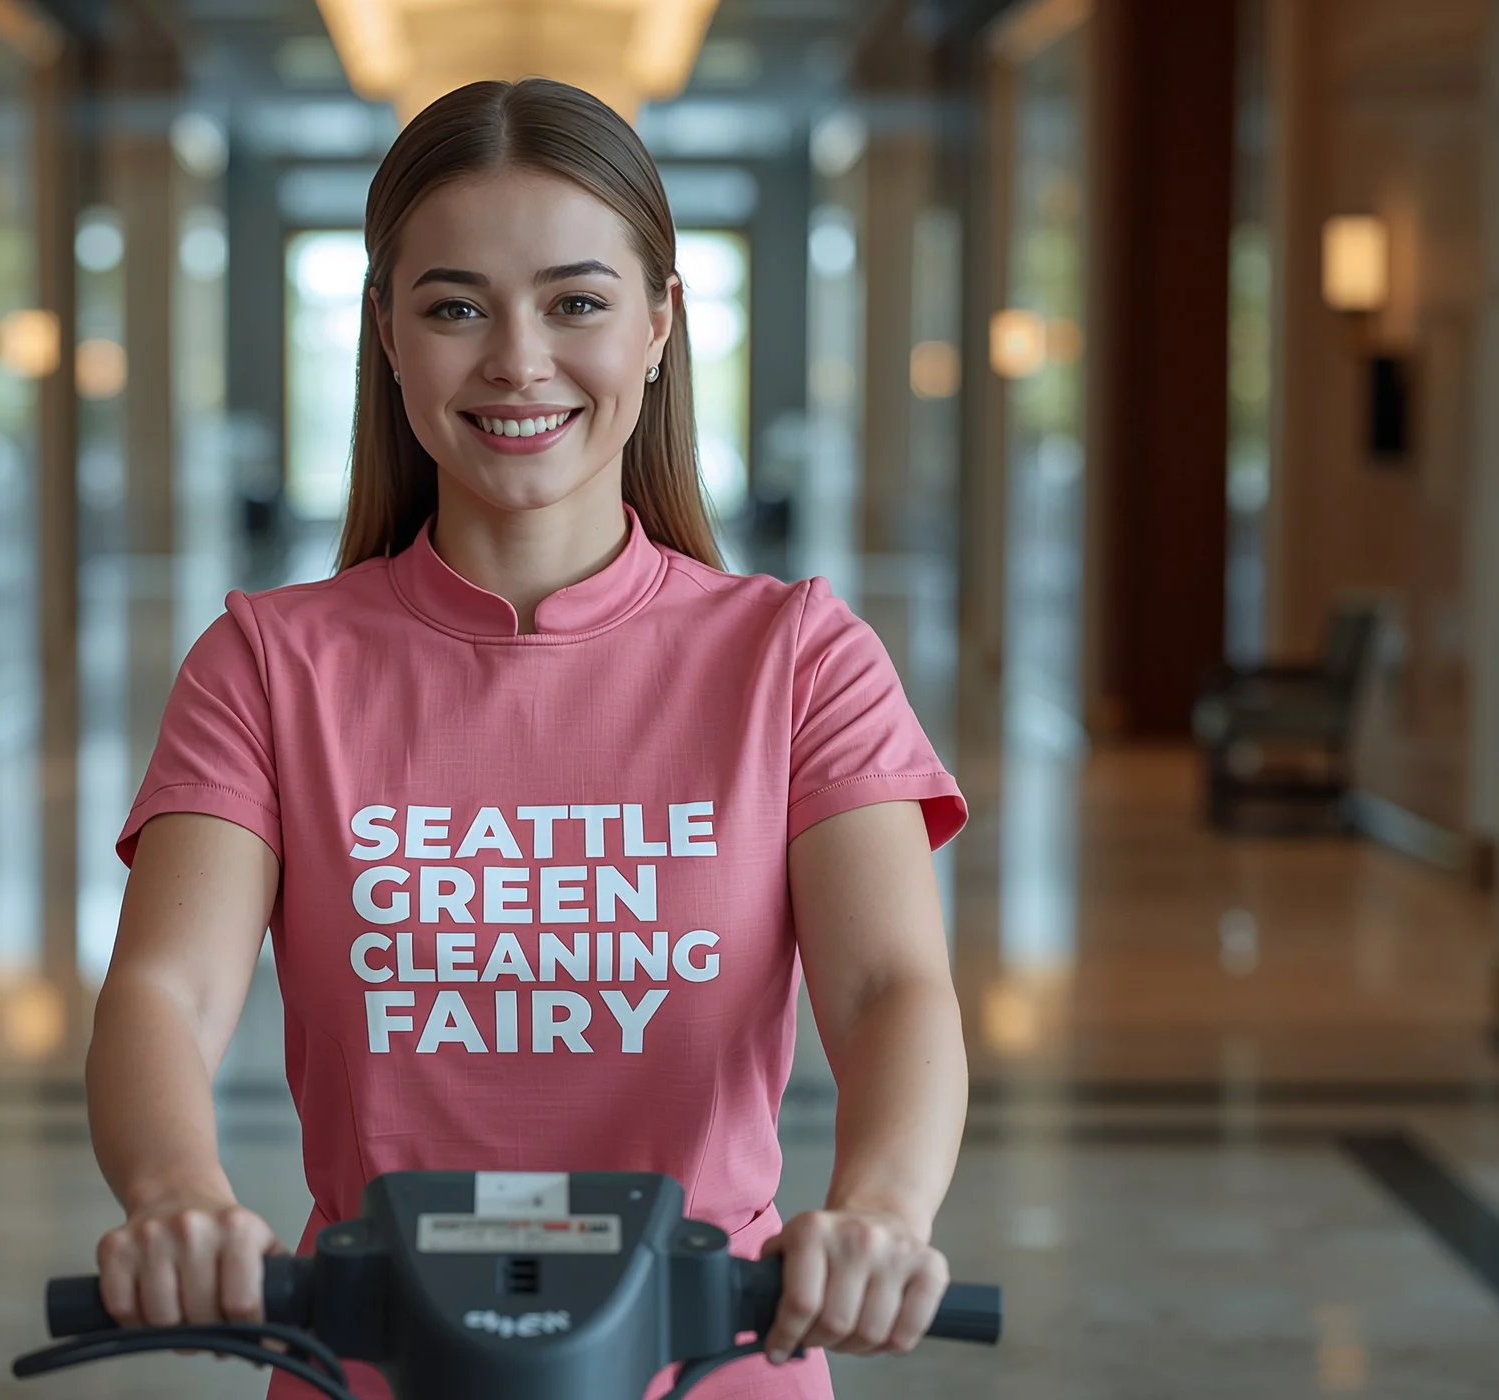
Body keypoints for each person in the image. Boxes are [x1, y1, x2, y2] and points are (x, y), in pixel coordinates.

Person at [84, 77, 971, 1400]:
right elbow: (168, 990)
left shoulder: (796, 657)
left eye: (576, 302)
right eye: (454, 307)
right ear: (387, 332)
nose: (517, 360)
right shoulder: (268, 665)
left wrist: (883, 1215)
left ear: (660, 325)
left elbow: (889, 986)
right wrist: (177, 1196)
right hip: (370, 1364)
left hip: (715, 1366)